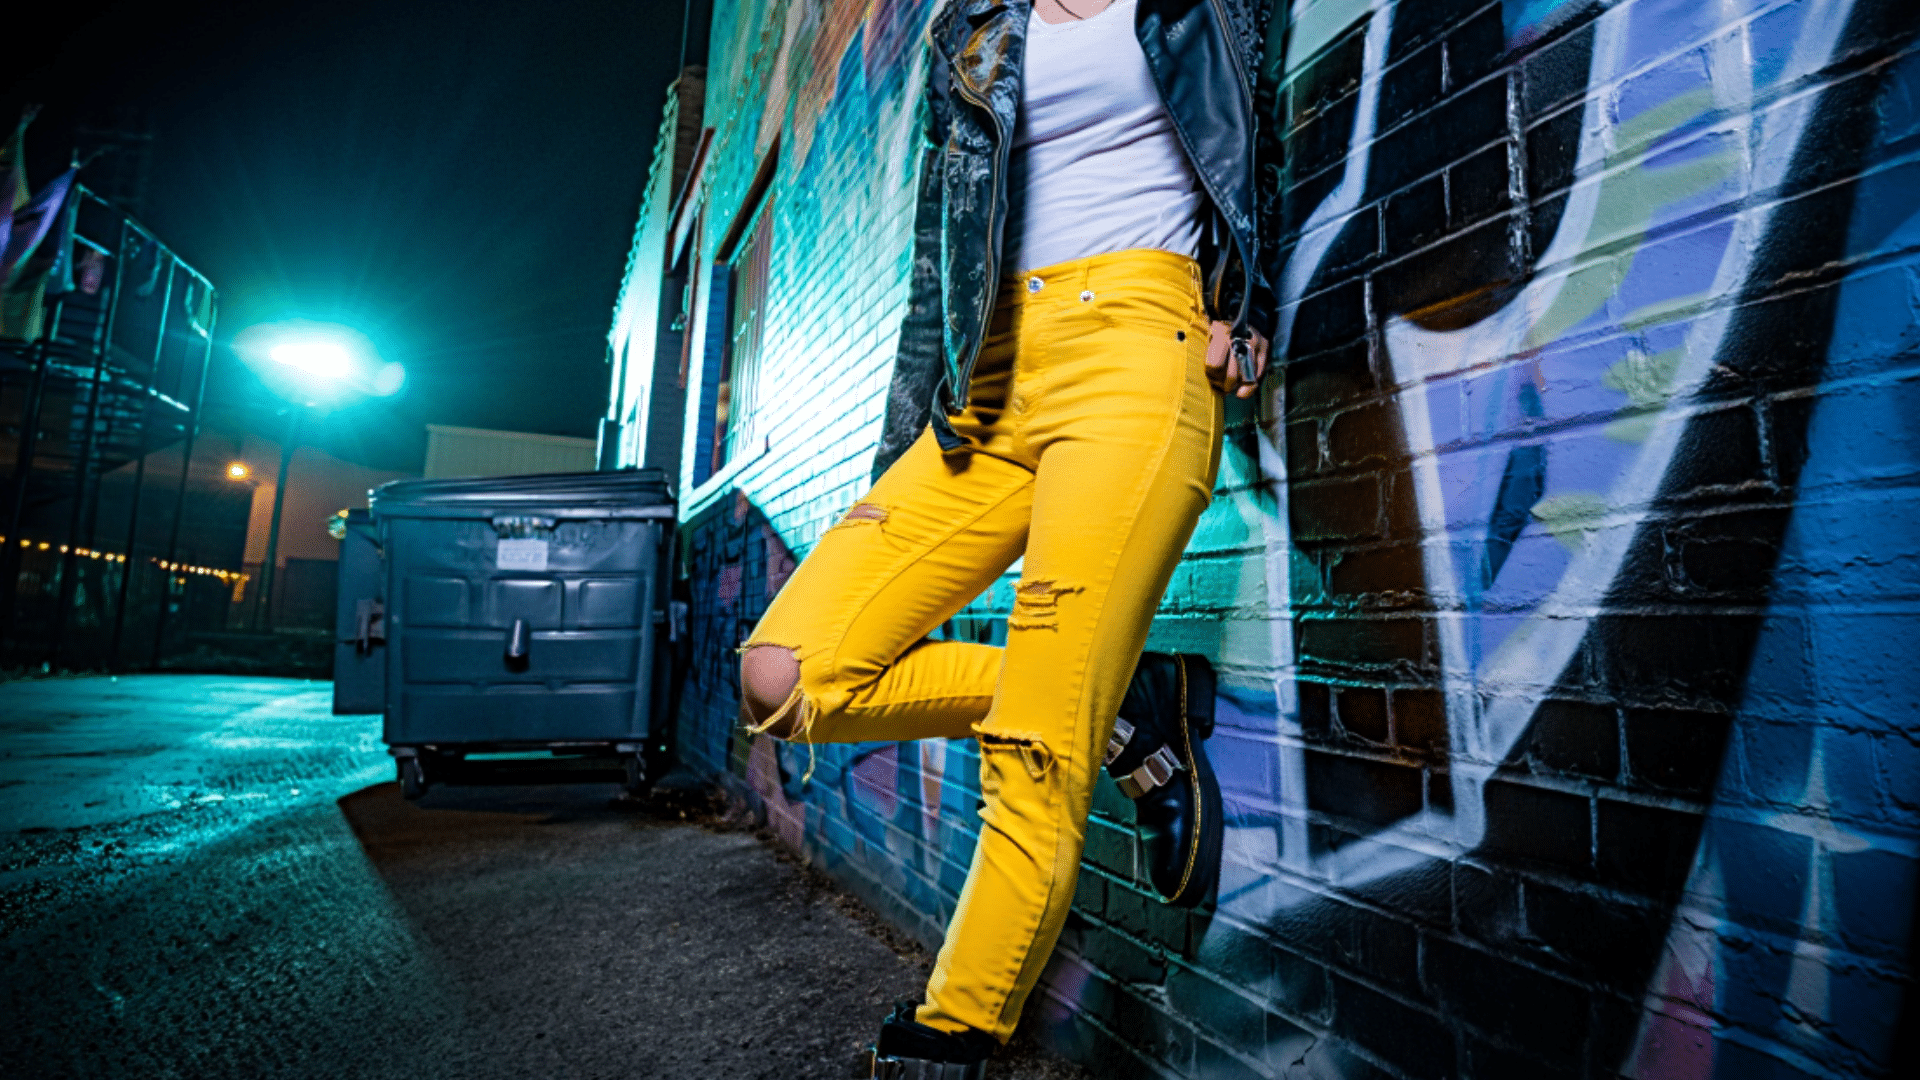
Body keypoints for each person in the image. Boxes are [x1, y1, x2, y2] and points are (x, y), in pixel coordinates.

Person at [738, 0, 1274, 1074]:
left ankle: (954, 1029)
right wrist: (903, 441)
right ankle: (1119, 707)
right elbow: (938, 259)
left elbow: (1265, 150)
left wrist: (1248, 310)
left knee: (1035, 748)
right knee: (784, 678)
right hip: (986, 383)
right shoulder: (974, 25)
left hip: (1136, 349)